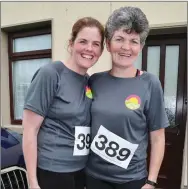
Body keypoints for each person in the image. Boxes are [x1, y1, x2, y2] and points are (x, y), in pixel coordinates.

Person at [85, 6, 169, 189]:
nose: (126, 47)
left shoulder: (150, 83)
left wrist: (151, 181)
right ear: (108, 44)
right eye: (119, 39)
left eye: (134, 41)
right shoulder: (94, 81)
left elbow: (158, 137)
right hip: (94, 177)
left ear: (141, 46)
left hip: (132, 180)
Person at [22, 17, 104, 189]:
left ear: (101, 50)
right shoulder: (51, 74)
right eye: (83, 41)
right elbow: (30, 130)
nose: (89, 49)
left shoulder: (89, 81)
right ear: (71, 43)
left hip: (80, 169)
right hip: (53, 170)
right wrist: (32, 182)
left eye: (96, 44)